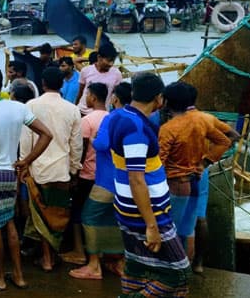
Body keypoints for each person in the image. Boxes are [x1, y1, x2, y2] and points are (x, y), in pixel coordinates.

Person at [0, 65, 54, 291]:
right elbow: (47, 134)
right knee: (9, 224)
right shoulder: (18, 108)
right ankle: (18, 276)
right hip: (10, 172)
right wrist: (27, 161)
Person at [104, 73, 190, 297]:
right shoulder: (137, 129)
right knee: (179, 273)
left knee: (137, 267)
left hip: (126, 206)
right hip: (147, 212)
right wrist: (151, 225)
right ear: (159, 98)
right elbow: (136, 178)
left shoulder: (117, 116)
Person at [159, 82, 238, 258]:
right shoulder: (203, 119)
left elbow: (160, 162)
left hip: (177, 182)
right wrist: (205, 162)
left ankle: (172, 269)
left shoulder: (168, 128)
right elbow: (227, 140)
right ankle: (193, 266)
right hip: (197, 176)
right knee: (189, 226)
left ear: (166, 102)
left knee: (171, 229)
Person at [21, 67, 82, 272]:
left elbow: (26, 139)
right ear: (61, 85)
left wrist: (24, 164)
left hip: (38, 169)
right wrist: (74, 169)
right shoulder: (72, 109)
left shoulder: (31, 105)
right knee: (58, 215)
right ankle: (51, 255)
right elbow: (76, 145)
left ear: (43, 83)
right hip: (61, 170)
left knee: (42, 215)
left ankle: (47, 258)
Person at [71, 83, 131, 280]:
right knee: (116, 219)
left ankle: (94, 264)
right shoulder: (135, 118)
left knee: (89, 216)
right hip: (127, 181)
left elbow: (102, 143)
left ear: (115, 99)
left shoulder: (112, 117)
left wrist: (96, 139)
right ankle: (119, 261)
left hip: (105, 180)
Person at [62, 83, 109, 267]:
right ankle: (101, 252)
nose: (85, 99)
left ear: (93, 97)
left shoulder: (88, 121)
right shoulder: (111, 118)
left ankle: (79, 250)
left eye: (87, 95)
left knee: (78, 213)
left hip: (87, 174)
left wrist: (75, 174)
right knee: (100, 214)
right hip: (104, 176)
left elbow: (80, 149)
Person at [75, 43, 122, 114]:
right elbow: (80, 92)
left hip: (102, 113)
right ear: (99, 57)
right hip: (82, 111)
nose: (111, 64)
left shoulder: (117, 74)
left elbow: (116, 96)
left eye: (113, 61)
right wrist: (75, 107)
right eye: (108, 60)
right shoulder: (86, 71)